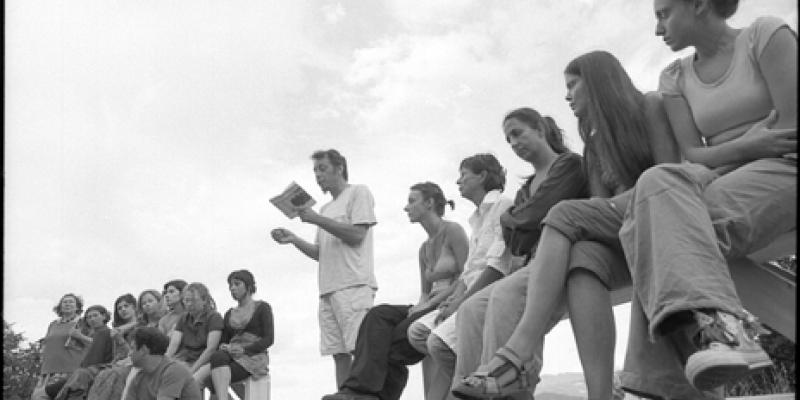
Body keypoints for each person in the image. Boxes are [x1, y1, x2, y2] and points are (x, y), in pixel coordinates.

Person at [453, 50, 680, 399]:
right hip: (619, 231)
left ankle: (518, 351)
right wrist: (525, 220)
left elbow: (668, 176)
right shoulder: (593, 148)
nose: (567, 96)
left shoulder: (649, 106)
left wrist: (523, 219)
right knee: (581, 258)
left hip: (658, 214)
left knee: (561, 215)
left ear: (598, 81)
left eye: (573, 85)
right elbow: (592, 209)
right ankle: (600, 394)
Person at [616, 0, 797, 395]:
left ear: (698, 4)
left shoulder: (765, 36)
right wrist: (746, 146)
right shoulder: (674, 77)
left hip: (786, 166)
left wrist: (727, 157)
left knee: (661, 227)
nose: (657, 29)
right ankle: (720, 336)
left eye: (663, 14)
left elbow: (791, 127)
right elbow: (693, 153)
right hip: (723, 173)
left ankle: (669, 378)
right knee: (655, 182)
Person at [438, 107, 594, 400]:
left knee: (504, 294)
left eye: (517, 133)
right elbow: (517, 241)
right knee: (471, 309)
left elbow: (535, 215)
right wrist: (519, 220)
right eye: (508, 139)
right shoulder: (526, 188)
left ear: (540, 129)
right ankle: (469, 387)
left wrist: (514, 218)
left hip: (563, 257)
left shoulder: (569, 165)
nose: (513, 143)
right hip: (532, 261)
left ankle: (503, 381)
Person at [322, 182, 469, 400]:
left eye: (412, 201)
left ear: (429, 203)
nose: (406, 207)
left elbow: (468, 275)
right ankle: (358, 390)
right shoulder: (424, 249)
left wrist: (430, 304)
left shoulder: (453, 231)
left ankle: (375, 395)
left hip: (450, 301)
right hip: (429, 305)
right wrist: (422, 305)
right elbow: (424, 293)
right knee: (378, 315)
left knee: (393, 341)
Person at [406, 154, 522, 400]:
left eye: (463, 175)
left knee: (438, 344)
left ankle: (478, 387)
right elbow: (468, 270)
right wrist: (455, 296)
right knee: (418, 332)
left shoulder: (503, 206)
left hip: (490, 293)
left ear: (482, 176)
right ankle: (475, 381)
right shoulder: (476, 219)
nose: (458, 181)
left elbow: (497, 267)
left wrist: (462, 301)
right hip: (470, 291)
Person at [271, 148, 378, 388]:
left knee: (359, 349)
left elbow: (357, 235)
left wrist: (315, 219)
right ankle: (344, 395)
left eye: (323, 169)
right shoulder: (325, 209)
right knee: (338, 353)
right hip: (328, 289)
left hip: (353, 285)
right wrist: (294, 239)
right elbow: (320, 253)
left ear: (339, 168)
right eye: (315, 171)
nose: (318, 175)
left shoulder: (358, 192)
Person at [195, 269, 274, 400]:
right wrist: (225, 346)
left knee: (213, 377)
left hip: (252, 357)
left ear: (248, 286)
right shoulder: (229, 314)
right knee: (198, 377)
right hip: (229, 356)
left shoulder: (262, 308)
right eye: (230, 285)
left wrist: (244, 349)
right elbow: (225, 340)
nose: (232, 288)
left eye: (237, 284)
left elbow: (269, 339)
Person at [30, 294, 87, 400]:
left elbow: (93, 343)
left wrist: (80, 336)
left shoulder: (83, 323)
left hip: (69, 370)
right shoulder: (53, 324)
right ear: (60, 306)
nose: (67, 304)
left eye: (71, 302)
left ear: (77, 307)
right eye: (64, 302)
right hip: (48, 371)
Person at [51, 305, 114, 400]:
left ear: (104, 316)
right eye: (89, 317)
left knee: (53, 390)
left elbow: (96, 358)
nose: (92, 319)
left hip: (96, 371)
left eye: (95, 315)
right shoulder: (93, 334)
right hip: (84, 371)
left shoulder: (105, 332)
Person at [124, 327, 202, 400]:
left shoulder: (174, 371)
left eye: (132, 348)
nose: (129, 354)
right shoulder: (138, 377)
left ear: (144, 350)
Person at [85, 294, 138, 400]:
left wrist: (120, 339)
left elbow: (133, 354)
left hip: (133, 364)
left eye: (126, 306)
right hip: (117, 364)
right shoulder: (116, 330)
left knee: (110, 374)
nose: (123, 310)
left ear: (134, 307)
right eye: (119, 308)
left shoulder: (140, 326)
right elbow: (118, 355)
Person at [164, 282, 223, 377]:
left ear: (204, 300)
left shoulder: (214, 317)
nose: (189, 304)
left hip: (204, 361)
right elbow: (173, 345)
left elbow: (211, 349)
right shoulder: (184, 318)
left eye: (193, 300)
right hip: (184, 359)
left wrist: (192, 371)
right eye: (186, 300)